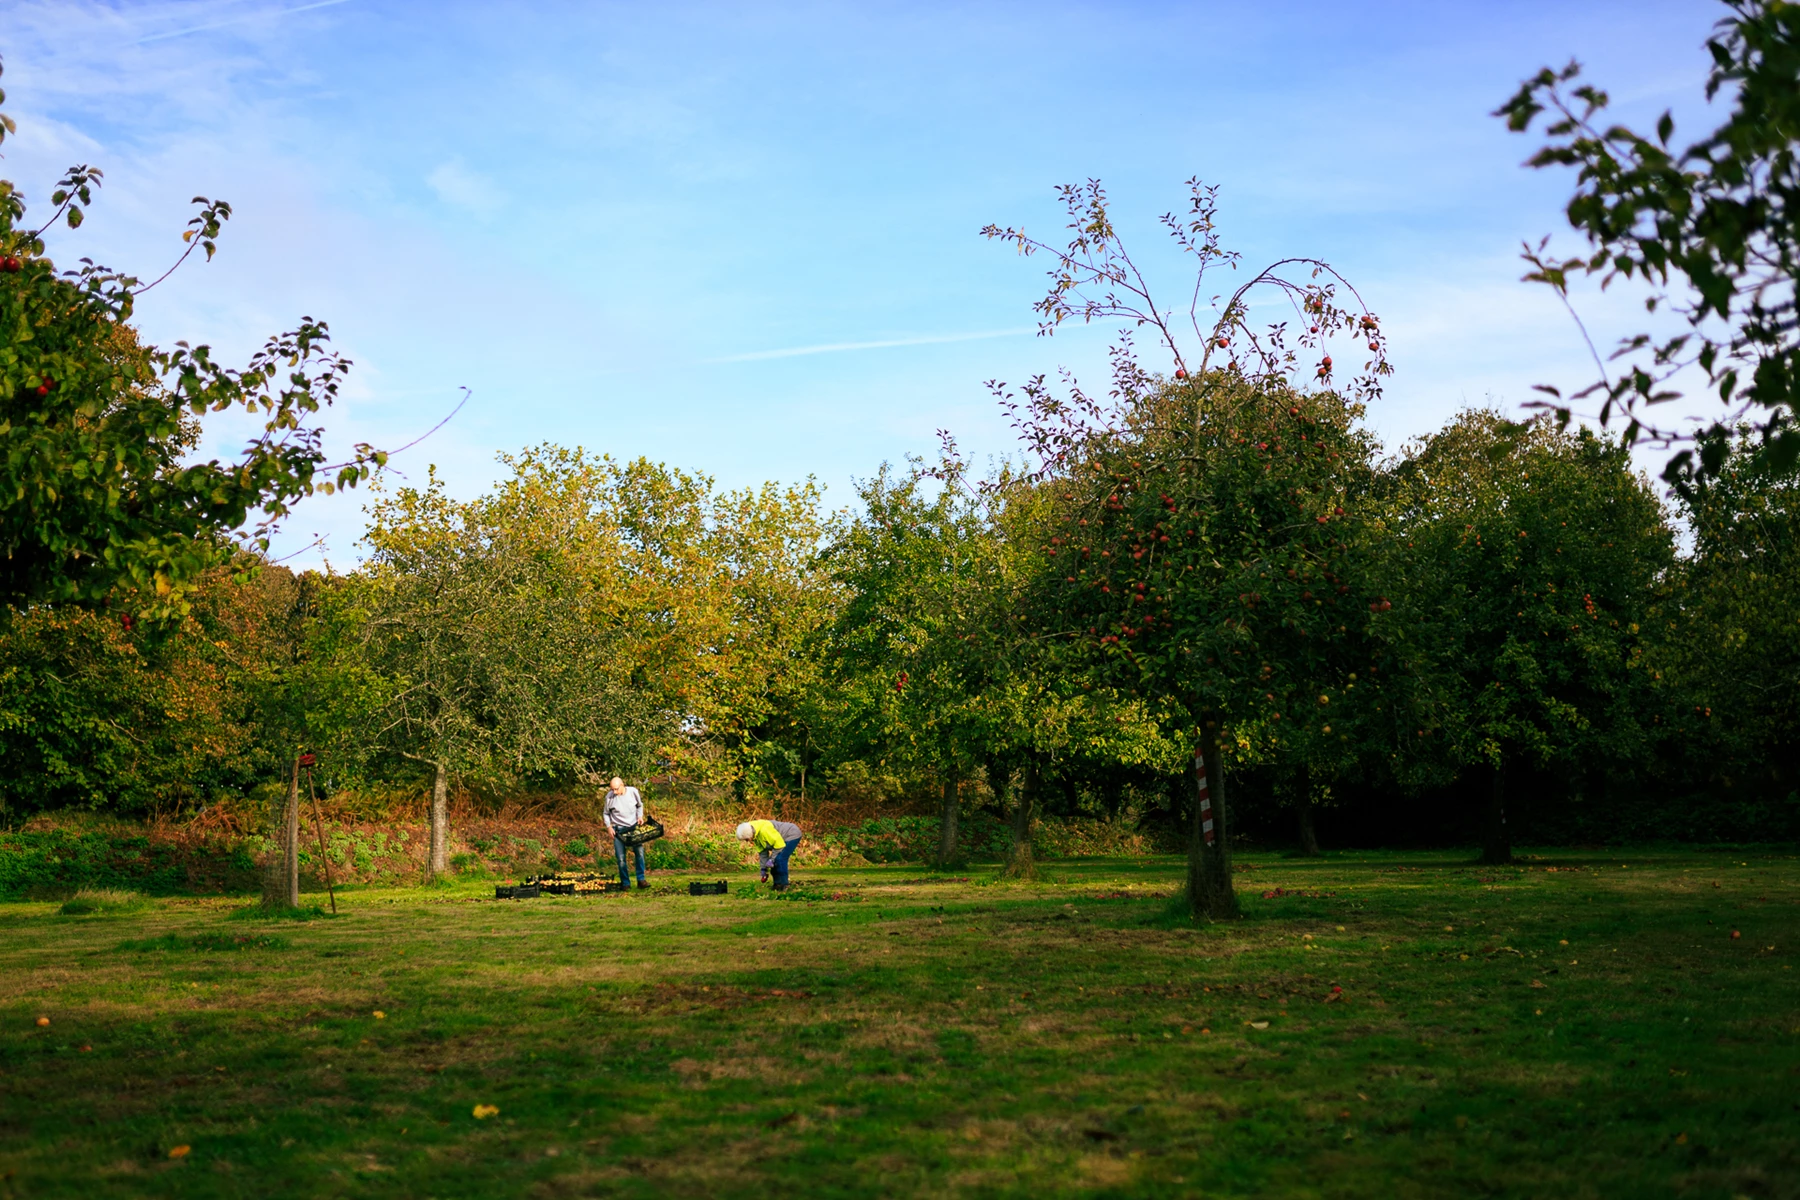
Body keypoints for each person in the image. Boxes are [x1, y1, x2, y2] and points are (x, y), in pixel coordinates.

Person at [603, 777, 649, 891]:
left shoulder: (633, 792)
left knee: (639, 853)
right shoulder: (609, 797)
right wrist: (609, 827)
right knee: (621, 858)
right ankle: (625, 883)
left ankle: (641, 879)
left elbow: (639, 805)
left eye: (616, 789)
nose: (614, 792)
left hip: (633, 827)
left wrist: (639, 816)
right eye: (612, 789)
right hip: (618, 830)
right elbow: (605, 813)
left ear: (622, 785)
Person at [736, 818, 802, 890]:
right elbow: (763, 853)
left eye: (746, 839)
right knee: (774, 861)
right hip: (780, 841)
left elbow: (779, 845)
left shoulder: (764, 830)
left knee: (780, 859)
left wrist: (771, 860)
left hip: (791, 834)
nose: (747, 841)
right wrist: (763, 870)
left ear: (749, 834)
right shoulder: (755, 835)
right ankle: (777, 884)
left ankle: (784, 884)